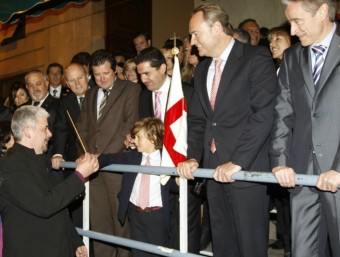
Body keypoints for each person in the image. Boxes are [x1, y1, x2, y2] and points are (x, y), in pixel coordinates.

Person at [177, 3, 277, 257]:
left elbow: (263, 115)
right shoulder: (201, 69)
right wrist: (192, 157)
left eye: (196, 33)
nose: (192, 41)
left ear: (218, 27)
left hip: (247, 172)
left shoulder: (256, 58)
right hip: (212, 172)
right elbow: (199, 121)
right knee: (223, 248)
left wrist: (238, 162)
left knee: (249, 248)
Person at [270, 0, 340, 256]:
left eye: (297, 21)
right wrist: (279, 160)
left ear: (322, 12)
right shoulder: (292, 56)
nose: (292, 31)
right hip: (303, 176)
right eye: (289, 22)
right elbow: (282, 113)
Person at [0, 105, 98, 257]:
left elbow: (59, 206)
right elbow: (44, 205)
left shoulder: (40, 160)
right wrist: (79, 175)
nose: (50, 134)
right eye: (45, 128)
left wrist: (74, 240)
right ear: (28, 131)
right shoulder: (11, 165)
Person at [134, 47, 201, 253]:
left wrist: (192, 158)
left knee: (185, 229)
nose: (143, 79)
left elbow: (198, 129)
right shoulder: (144, 96)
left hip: (183, 168)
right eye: (140, 74)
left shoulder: (188, 92)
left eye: (147, 73)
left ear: (163, 68)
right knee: (164, 230)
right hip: (156, 173)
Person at [77, 49, 140, 257]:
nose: (102, 79)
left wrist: (102, 157)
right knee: (99, 222)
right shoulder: (90, 94)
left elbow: (129, 126)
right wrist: (85, 154)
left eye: (106, 73)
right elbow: (83, 128)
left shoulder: (130, 90)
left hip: (116, 167)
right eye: (97, 75)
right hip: (93, 169)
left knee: (120, 223)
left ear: (115, 70)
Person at [98, 117, 170, 257]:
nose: (134, 141)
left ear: (153, 138)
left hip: (156, 217)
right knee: (138, 252)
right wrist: (96, 160)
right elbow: (112, 158)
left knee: (158, 253)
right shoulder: (133, 157)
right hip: (135, 215)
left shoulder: (166, 160)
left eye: (138, 137)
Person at [52, 63, 90, 227]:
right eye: (72, 81)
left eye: (80, 78)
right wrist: (58, 153)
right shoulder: (65, 102)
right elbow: (61, 129)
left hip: (99, 161)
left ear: (87, 75)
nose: (77, 83)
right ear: (66, 83)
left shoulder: (100, 95)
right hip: (74, 162)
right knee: (78, 214)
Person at [267, 26, 292, 257]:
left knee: (292, 199)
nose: (272, 43)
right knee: (281, 198)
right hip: (276, 142)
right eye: (270, 40)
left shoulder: (294, 66)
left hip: (292, 143)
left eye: (277, 39)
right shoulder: (275, 69)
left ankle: (293, 245)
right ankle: (284, 238)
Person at [25, 70, 59, 159]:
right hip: (25, 160)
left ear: (47, 83)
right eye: (30, 85)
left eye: (38, 83)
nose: (35, 88)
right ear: (26, 87)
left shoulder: (59, 105)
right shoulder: (22, 109)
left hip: (49, 160)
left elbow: (60, 136)